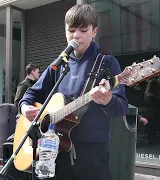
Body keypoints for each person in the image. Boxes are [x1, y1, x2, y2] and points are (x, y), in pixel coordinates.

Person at [18, 4, 128, 180]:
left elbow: (121, 108)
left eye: (83, 30)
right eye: (72, 30)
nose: (76, 35)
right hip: (56, 152)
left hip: (92, 155)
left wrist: (107, 100)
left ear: (94, 31)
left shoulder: (107, 63)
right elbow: (31, 93)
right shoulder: (59, 64)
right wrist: (24, 108)